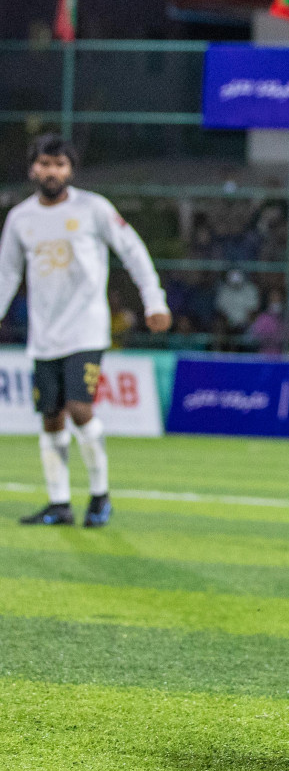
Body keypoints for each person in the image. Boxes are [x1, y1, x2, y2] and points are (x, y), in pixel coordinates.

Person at [0, 134, 171, 526]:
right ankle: (59, 503)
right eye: (44, 163)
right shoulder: (21, 218)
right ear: (33, 168)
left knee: (80, 408)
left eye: (59, 164)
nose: (51, 171)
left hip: (86, 329)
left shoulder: (94, 208)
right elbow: (7, 272)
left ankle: (100, 494)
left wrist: (155, 301)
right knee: (50, 417)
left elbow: (133, 250)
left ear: (70, 170)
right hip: (44, 334)